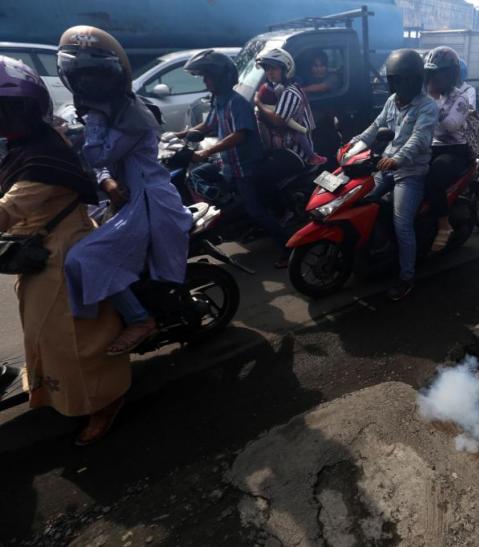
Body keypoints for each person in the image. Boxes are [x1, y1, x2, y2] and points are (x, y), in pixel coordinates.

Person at [0, 55, 131, 445]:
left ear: (21, 110)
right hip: (39, 251)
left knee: (73, 339)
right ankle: (56, 390)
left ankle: (104, 401)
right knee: (46, 335)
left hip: (61, 253)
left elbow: (7, 210)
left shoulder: (41, 158)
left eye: (4, 110)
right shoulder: (29, 143)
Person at [57, 26, 193, 355]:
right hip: (126, 200)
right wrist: (107, 180)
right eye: (81, 76)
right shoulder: (111, 111)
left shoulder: (132, 116)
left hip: (149, 204)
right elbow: (102, 167)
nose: (87, 84)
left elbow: (98, 155)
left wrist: (91, 122)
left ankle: (139, 319)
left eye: (95, 75)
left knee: (83, 259)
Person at [180, 49, 290, 267]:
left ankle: (287, 248)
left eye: (208, 76)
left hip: (245, 167)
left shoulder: (237, 102)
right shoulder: (219, 99)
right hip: (227, 164)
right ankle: (224, 208)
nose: (204, 81)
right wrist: (178, 135)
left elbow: (240, 135)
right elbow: (208, 124)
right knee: (195, 175)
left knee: (256, 211)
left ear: (220, 77)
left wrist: (206, 152)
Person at [350, 49, 437, 301]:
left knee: (402, 224)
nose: (400, 84)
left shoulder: (427, 106)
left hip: (410, 172)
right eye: (396, 80)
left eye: (405, 79)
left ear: (415, 80)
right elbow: (376, 126)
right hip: (385, 166)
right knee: (362, 201)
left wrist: (398, 159)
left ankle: (406, 277)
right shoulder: (392, 101)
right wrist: (353, 145)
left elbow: (419, 138)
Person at [423, 47, 471, 252]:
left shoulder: (460, 98)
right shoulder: (425, 94)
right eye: (431, 73)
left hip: (454, 151)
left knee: (433, 175)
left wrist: (433, 101)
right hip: (430, 146)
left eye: (439, 73)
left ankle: (444, 225)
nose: (434, 78)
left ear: (450, 75)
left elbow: (451, 125)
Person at [254, 46, 325, 166]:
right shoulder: (278, 87)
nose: (270, 72)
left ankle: (313, 157)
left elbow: (278, 120)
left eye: (274, 68)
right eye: (267, 68)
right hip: (284, 149)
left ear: (285, 69)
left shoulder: (290, 92)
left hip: (296, 154)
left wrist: (258, 102)